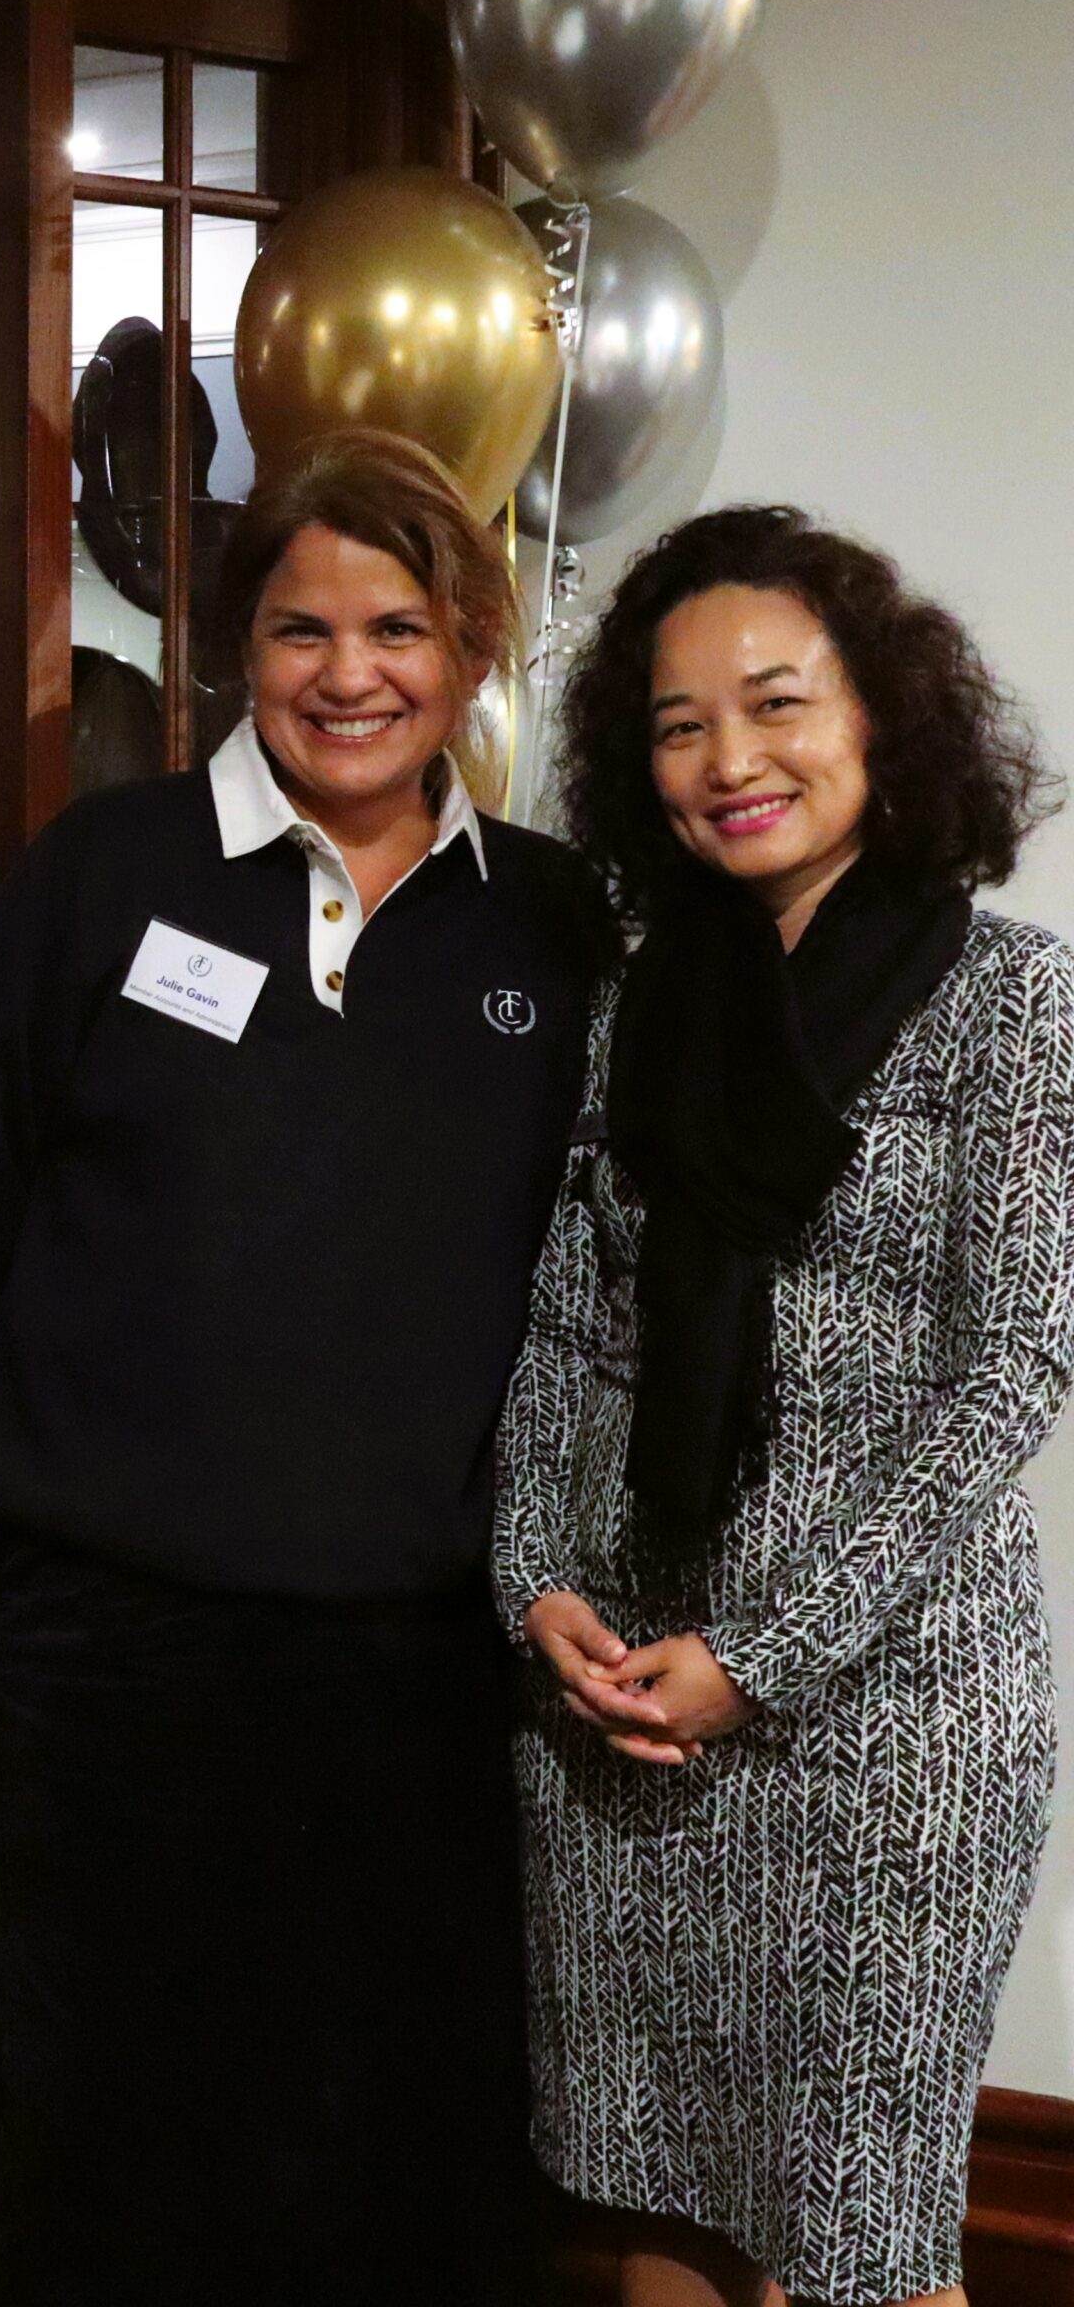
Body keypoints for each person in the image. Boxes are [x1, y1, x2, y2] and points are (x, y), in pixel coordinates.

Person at [0, 427, 614, 2306]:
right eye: (304, 629)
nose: (349, 674)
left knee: (400, 2138)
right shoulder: (102, 874)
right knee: (119, 2138)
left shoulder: (555, 919)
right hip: (119, 1650)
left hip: (425, 1663)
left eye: (399, 628)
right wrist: (92, 1462)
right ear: (240, 650)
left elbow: (598, 1282)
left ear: (471, 650)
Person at [495, 508, 1073, 2307]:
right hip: (619, 1696)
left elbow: (1016, 1368)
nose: (729, 759)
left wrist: (769, 1654)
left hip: (888, 1715)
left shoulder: (1016, 1002)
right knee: (653, 2199)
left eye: (775, 703)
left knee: (863, 2238)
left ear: (881, 713)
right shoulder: (633, 1009)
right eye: (680, 726)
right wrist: (533, 1585)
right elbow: (560, 1331)